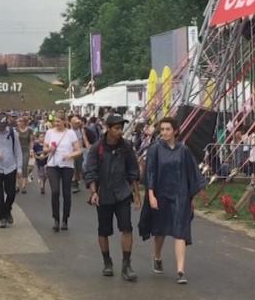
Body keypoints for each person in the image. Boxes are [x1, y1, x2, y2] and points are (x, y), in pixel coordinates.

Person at [138, 117, 205, 285]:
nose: (164, 133)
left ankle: (180, 270)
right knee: (160, 230)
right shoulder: (155, 149)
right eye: (162, 130)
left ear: (175, 131)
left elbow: (191, 173)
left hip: (180, 195)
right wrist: (151, 195)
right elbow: (150, 172)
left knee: (180, 230)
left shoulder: (184, 150)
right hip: (161, 194)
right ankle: (157, 256)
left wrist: (192, 196)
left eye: (168, 129)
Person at [84, 114, 141, 281]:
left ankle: (126, 264)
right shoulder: (97, 148)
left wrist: (136, 195)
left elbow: (133, 171)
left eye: (121, 128)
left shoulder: (126, 147)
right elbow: (90, 171)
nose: (120, 131)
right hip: (104, 194)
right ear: (108, 129)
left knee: (127, 228)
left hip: (122, 193)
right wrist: (94, 192)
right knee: (104, 230)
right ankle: (107, 262)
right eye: (116, 128)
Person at [44, 113, 82, 232]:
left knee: (66, 193)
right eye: (55, 121)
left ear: (65, 121)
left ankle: (65, 219)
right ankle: (56, 219)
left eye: (59, 121)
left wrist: (70, 155)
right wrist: (48, 149)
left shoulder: (70, 133)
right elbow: (44, 148)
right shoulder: (49, 132)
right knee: (55, 191)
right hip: (52, 165)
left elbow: (79, 151)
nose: (56, 124)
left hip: (67, 165)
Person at [16, 116, 35, 194]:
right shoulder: (16, 130)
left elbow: (31, 141)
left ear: (24, 122)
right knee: (17, 167)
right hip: (17, 150)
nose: (19, 123)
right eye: (18, 121)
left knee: (24, 166)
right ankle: (16, 184)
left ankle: (23, 185)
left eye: (21, 121)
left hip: (25, 150)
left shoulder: (29, 130)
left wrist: (31, 150)